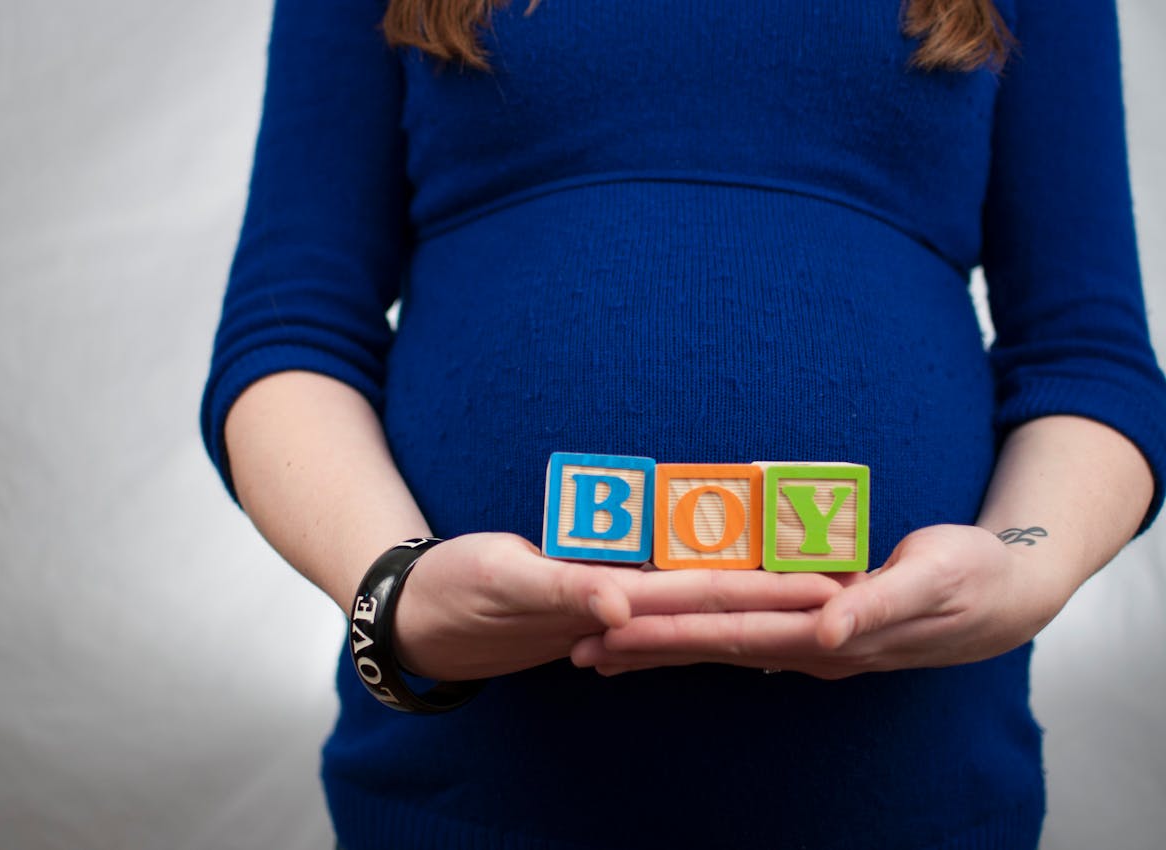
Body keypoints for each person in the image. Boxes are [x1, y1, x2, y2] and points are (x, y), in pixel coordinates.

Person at [201, 0, 1166, 847]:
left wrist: (1023, 565)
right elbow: (293, 330)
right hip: (468, 789)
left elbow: (1088, 356)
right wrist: (394, 595)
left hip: (909, 789)